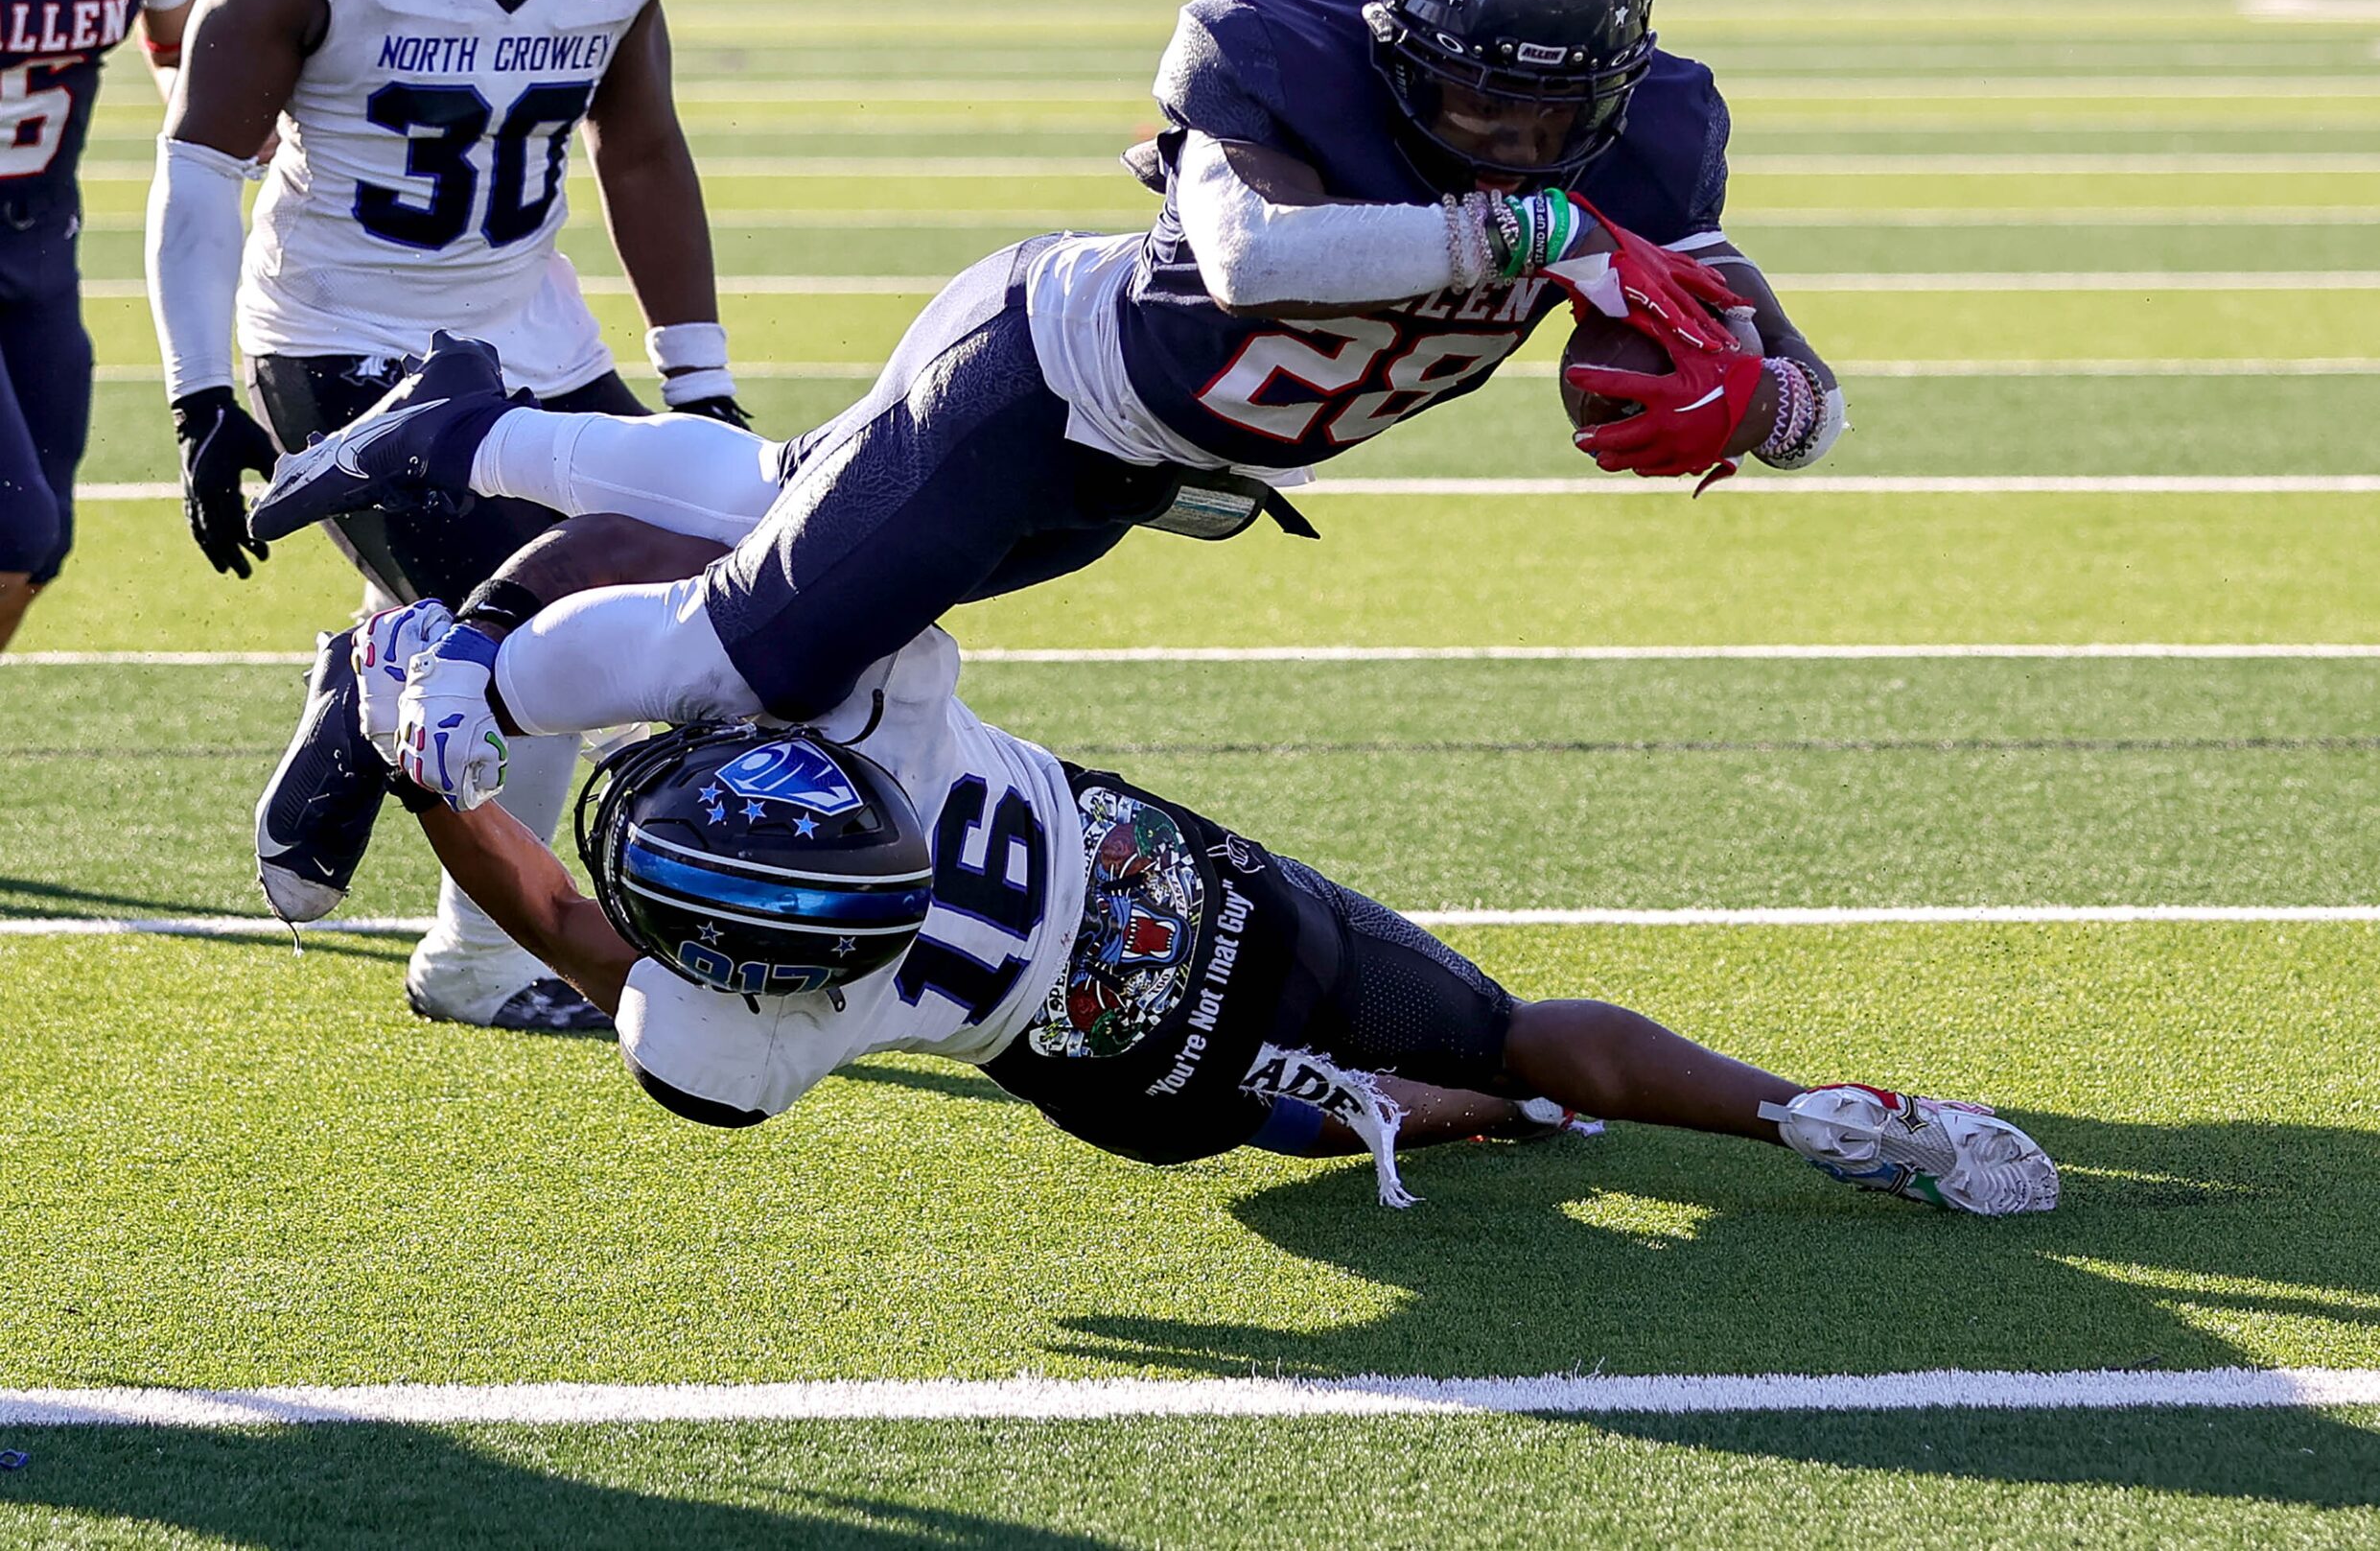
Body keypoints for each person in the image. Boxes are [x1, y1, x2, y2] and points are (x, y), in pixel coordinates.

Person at [244, 0, 1850, 784]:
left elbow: (1788, 375)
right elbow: (1254, 263)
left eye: (1552, 115)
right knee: (754, 658)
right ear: (1391, 26)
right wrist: (1524, 228)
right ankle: (443, 672)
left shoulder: (1647, 147)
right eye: (1475, 100)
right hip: (1035, 382)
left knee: (771, 495)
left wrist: (1766, 399)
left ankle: (473, 427)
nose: (1511, 136)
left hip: (1151, 473)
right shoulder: (1277, 52)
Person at [277, 514, 2057, 1219]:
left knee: (1345, 1099)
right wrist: (498, 617)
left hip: (1138, 1068)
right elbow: (714, 559)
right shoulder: (876, 704)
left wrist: (427, 771)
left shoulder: (750, 1033)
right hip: (1210, 890)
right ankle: (1804, 1110)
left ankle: (1450, 1114)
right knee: (1507, 1025)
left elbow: (583, 933)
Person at [152, 0, 748, 1031]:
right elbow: (201, 166)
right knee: (548, 631)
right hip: (340, 335)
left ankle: (375, 668)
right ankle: (480, 957)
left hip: (526, 322)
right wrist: (202, 396)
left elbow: (637, 142)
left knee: (719, 554)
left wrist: (696, 381)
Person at [0, 0, 214, 648]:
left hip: (36, 244)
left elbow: (184, 47)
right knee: (16, 531)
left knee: (37, 549)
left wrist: (257, 142)